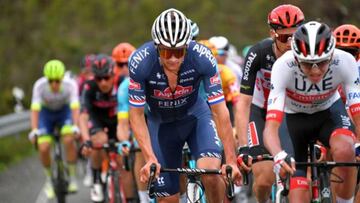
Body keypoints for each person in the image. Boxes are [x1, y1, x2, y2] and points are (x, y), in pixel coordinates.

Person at [128, 8, 241, 203]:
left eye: (179, 51)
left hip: (196, 118)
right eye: (166, 52)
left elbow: (219, 110)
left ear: (187, 47)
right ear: (156, 47)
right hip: (161, 125)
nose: (173, 58)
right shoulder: (140, 62)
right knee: (168, 199)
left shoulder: (202, 58)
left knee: (211, 175)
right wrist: (149, 157)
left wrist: (230, 160)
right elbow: (136, 116)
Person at [263, 21, 360, 203]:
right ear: (296, 58)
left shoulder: (345, 61)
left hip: (328, 113)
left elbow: (357, 112)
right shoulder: (283, 66)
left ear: (331, 55)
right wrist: (277, 155)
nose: (315, 71)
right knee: (298, 194)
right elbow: (271, 127)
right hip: (293, 121)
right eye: (308, 64)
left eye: (322, 63)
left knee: (347, 151)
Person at [236, 4, 304, 203]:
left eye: (296, 36)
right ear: (272, 34)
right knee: (264, 179)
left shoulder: (308, 54)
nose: (291, 43)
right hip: (262, 112)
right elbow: (243, 103)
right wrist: (243, 147)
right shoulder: (258, 53)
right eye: (285, 37)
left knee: (301, 174)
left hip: (293, 112)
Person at [28, 59, 80, 198]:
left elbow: (75, 107)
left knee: (69, 139)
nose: (54, 84)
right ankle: (49, 180)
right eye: (50, 81)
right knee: (43, 147)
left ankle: (73, 176)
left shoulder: (71, 84)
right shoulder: (39, 85)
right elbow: (34, 110)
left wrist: (75, 126)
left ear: (62, 78)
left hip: (65, 112)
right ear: (46, 79)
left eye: (57, 80)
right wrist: (34, 130)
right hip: (46, 115)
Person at [79, 54, 121, 202]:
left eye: (106, 78)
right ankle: (96, 178)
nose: (103, 82)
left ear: (113, 74)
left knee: (122, 155)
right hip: (98, 121)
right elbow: (83, 117)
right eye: (98, 78)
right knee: (98, 141)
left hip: (118, 121)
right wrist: (86, 141)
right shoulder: (89, 86)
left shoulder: (122, 83)